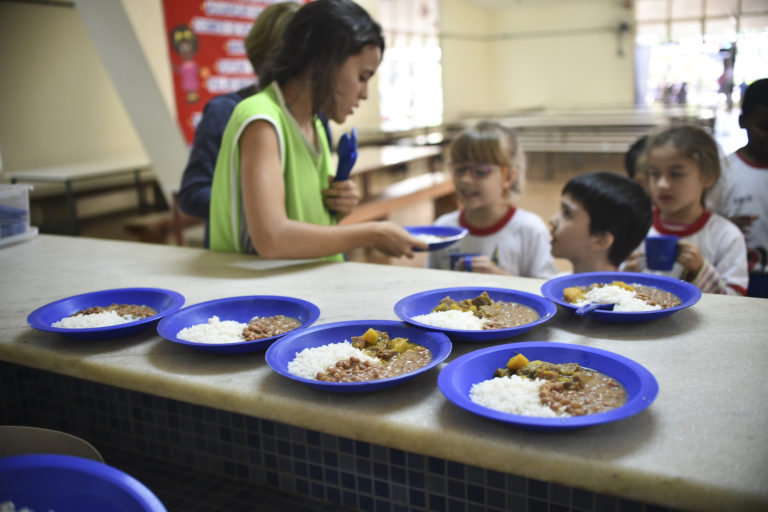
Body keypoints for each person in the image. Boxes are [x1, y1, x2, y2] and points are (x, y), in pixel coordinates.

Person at [209, 0, 426, 260]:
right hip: (269, 296)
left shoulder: (315, 126)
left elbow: (306, 222)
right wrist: (372, 233)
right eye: (361, 77)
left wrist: (336, 205)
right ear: (326, 61)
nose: (365, 94)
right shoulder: (261, 120)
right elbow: (273, 239)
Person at [178, 2, 301, 247]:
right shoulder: (225, 112)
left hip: (298, 250)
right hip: (236, 255)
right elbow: (192, 194)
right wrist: (262, 203)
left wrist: (338, 194)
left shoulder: (313, 117)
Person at [626, 124, 748, 295]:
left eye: (676, 174)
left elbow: (736, 303)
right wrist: (625, 276)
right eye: (654, 174)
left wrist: (701, 270)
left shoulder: (727, 236)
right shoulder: (634, 227)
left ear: (708, 177)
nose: (662, 184)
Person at [426, 121, 556, 278]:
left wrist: (500, 277)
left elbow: (544, 290)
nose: (466, 179)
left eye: (480, 171)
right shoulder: (443, 228)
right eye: (459, 169)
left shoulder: (530, 230)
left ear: (508, 176)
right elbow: (431, 283)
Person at [708, 78, 768, 297]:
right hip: (743, 276)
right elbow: (702, 223)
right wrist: (726, 227)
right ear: (743, 121)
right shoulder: (723, 172)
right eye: (764, 127)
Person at [549, 171, 652, 274]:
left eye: (567, 213)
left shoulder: (627, 290)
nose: (552, 220)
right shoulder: (556, 281)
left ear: (601, 239)